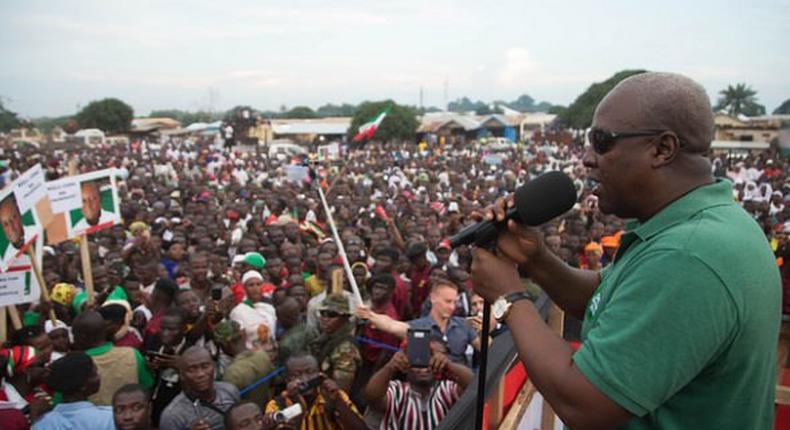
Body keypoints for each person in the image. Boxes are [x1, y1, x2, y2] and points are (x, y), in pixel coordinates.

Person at [470, 72, 781, 429]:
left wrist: (509, 295)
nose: (586, 158)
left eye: (601, 141)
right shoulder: (698, 223)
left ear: (662, 149)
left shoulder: (687, 255)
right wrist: (536, 260)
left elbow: (583, 403)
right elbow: (606, 298)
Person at [355, 280, 480, 365]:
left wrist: (488, 327)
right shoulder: (419, 326)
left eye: (454, 302)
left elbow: (488, 348)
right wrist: (370, 315)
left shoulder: (464, 324)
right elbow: (391, 325)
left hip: (461, 387)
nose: (452, 307)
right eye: (448, 301)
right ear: (433, 299)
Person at [364, 347, 473, 430]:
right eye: (419, 361)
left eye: (430, 360)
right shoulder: (397, 390)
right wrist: (391, 366)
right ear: (407, 365)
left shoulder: (446, 389)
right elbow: (372, 397)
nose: (424, 368)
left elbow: (472, 386)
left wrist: (449, 364)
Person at [264, 353, 366, 430]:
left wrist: (338, 401)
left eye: (310, 372)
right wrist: (298, 406)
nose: (304, 379)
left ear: (320, 374)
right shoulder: (276, 405)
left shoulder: (333, 396)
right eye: (296, 375)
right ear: (286, 380)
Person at [72, 310, 154, 406]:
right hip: (130, 417)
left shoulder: (75, 365)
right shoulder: (132, 354)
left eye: (73, 334)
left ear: (81, 337)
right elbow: (147, 388)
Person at [159, 346, 241, 430]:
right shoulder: (172, 415)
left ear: (214, 367)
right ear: (182, 375)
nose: (200, 374)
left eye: (205, 366)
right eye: (192, 369)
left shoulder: (230, 390)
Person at [33, 352, 114, 430]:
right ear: (82, 386)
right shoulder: (109, 418)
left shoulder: (44, 422)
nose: (99, 377)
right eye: (94, 374)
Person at [306, 294, 361, 392]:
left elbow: (341, 388)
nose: (325, 318)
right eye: (323, 313)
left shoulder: (345, 348)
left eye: (332, 314)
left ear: (344, 318)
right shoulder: (326, 337)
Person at [214, 320, 274, 406]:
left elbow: (227, 404)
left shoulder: (232, 373)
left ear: (225, 345)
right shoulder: (262, 355)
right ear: (244, 336)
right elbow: (272, 383)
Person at [230, 270, 277, 350]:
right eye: (251, 285)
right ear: (244, 288)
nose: (255, 288)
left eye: (258, 284)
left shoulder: (269, 308)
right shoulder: (238, 312)